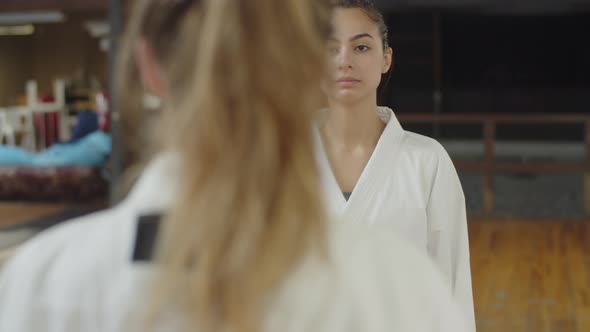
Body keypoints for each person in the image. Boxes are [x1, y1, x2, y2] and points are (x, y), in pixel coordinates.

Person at [0, 0, 470, 331]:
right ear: (300, 66)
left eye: (361, 47)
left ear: (148, 66)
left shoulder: (40, 282)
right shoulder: (399, 286)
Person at [317, 0, 476, 329]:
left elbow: (453, 288)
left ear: (386, 58)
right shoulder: (283, 163)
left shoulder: (427, 162)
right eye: (331, 48)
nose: (345, 60)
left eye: (361, 46)